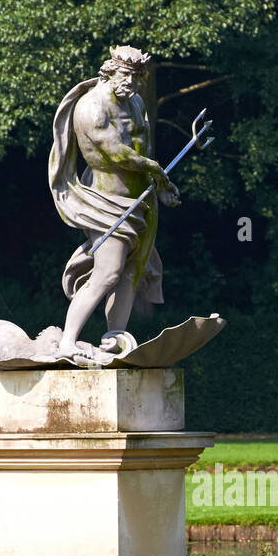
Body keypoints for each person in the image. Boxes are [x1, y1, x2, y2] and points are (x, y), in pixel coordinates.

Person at [48, 45, 180, 363]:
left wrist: (158, 185)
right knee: (107, 272)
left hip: (140, 200)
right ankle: (68, 341)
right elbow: (118, 152)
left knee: (131, 273)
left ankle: (113, 337)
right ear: (110, 70)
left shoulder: (134, 101)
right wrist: (157, 171)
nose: (134, 84)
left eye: (139, 78)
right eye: (128, 76)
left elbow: (143, 142)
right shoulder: (91, 107)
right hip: (106, 202)